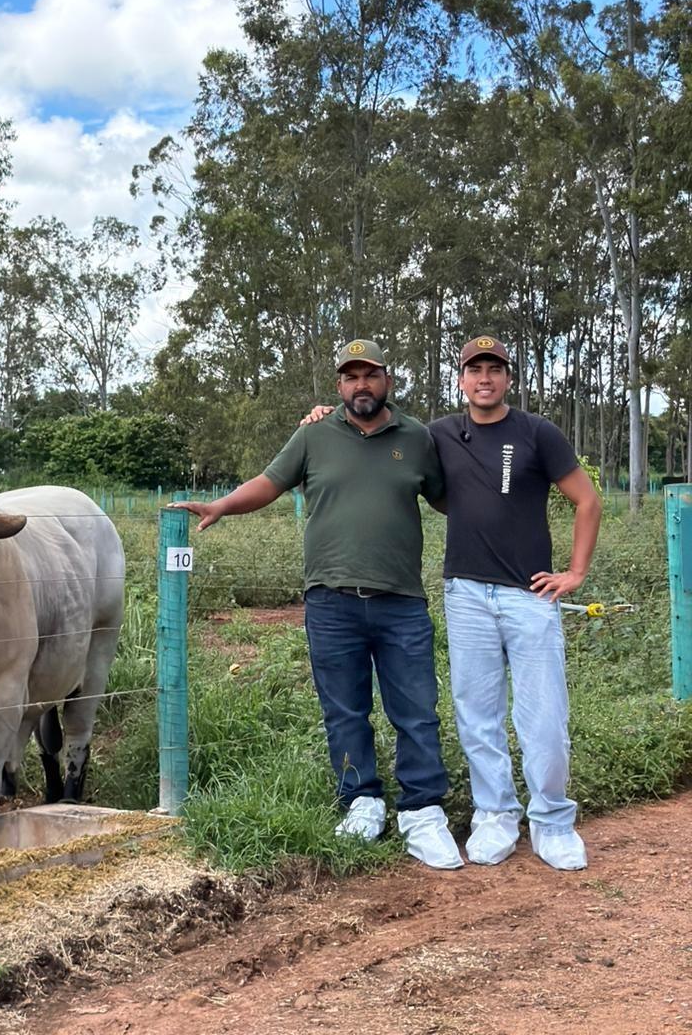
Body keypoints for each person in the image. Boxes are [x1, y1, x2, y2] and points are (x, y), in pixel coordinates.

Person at [305, 335, 602, 871]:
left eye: (494, 369)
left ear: (508, 377)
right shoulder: (437, 434)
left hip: (529, 595)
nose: (484, 378)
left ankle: (553, 821)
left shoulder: (538, 433)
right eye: (474, 370)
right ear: (461, 380)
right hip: (465, 593)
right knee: (476, 715)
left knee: (543, 716)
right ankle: (495, 814)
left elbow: (587, 500)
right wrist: (324, 416)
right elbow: (375, 429)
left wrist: (575, 572)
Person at [172, 339, 463, 870]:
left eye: (370, 375)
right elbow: (269, 483)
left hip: (401, 602)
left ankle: (422, 811)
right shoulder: (313, 434)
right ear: (339, 385)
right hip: (331, 603)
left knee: (416, 711)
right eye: (351, 377)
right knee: (344, 710)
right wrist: (221, 506)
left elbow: (449, 497)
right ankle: (362, 801)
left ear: (388, 381)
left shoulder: (417, 437)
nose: (361, 385)